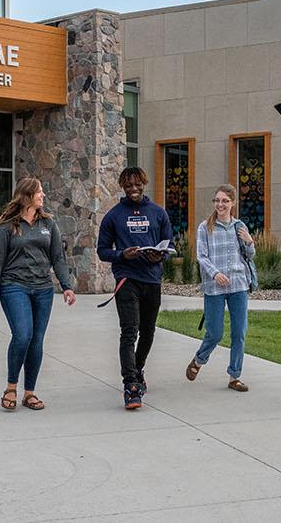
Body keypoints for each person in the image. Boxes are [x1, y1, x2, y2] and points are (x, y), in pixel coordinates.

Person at [0, 177, 76, 412]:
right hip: (14, 287)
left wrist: (66, 286)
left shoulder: (48, 224)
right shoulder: (7, 227)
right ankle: (11, 387)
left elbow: (58, 258)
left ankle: (29, 393)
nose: (43, 196)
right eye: (39, 192)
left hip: (43, 289)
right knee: (23, 335)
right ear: (26, 196)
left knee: (36, 341)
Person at [96, 166, 171, 411]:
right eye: (128, 185)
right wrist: (122, 254)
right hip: (127, 279)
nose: (133, 189)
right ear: (123, 187)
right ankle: (130, 385)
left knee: (148, 331)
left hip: (152, 280)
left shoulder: (158, 213)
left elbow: (168, 246)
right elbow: (102, 250)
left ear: (144, 183)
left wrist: (158, 257)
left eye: (137, 184)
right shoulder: (114, 216)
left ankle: (137, 369)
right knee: (129, 331)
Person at [186, 184, 255, 392]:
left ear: (233, 203)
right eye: (217, 200)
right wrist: (215, 273)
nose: (220, 204)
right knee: (215, 333)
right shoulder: (204, 227)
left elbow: (249, 256)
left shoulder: (239, 226)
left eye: (225, 201)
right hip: (213, 286)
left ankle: (234, 376)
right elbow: (201, 257)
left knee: (239, 333)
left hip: (239, 285)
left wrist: (250, 242)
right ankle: (199, 360)